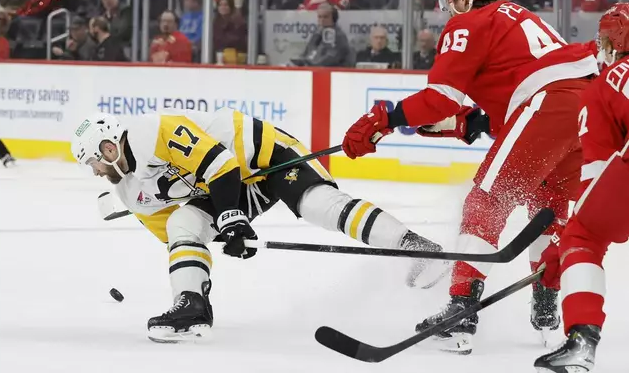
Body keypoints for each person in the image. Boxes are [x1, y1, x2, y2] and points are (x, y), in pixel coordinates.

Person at [340, 0, 599, 354]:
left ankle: (460, 312)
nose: (446, 5)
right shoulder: (519, 15)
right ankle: (546, 314)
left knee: (486, 201)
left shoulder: (469, 22)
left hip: (550, 104)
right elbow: (521, 95)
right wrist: (469, 124)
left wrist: (385, 118)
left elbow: (439, 99)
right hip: (585, 110)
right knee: (550, 207)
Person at [70, 109, 443, 343]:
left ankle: (416, 247)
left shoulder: (152, 131)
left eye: (92, 162)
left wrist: (232, 219)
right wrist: (221, 240)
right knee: (185, 221)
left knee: (319, 205)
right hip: (230, 186)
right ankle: (192, 305)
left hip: (261, 155)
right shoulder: (128, 191)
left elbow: (219, 165)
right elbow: (179, 236)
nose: (95, 172)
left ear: (108, 148)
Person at [533, 3, 629, 373]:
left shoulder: (616, 74)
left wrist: (569, 241)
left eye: (606, 39)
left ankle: (581, 343)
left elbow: (596, 180)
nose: (601, 47)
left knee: (584, 239)